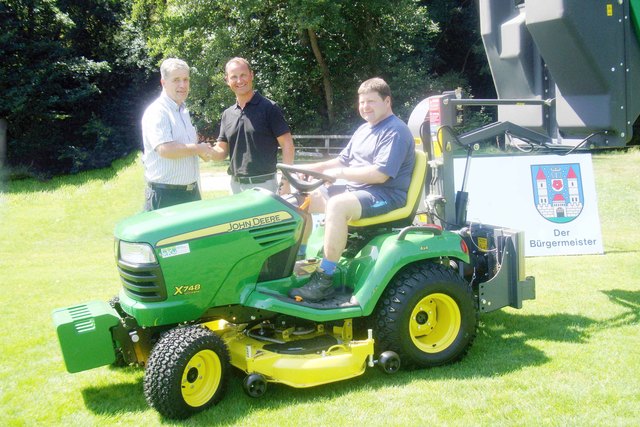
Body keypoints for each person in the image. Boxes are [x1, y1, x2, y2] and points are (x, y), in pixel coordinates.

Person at [289, 77, 415, 303]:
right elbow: (341, 161)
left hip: (385, 195)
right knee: (298, 200)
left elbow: (379, 175)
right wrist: (306, 168)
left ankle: (324, 279)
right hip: (357, 191)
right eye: (362, 102)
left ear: (387, 102)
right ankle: (296, 262)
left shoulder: (395, 131)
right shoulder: (364, 129)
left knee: (337, 205)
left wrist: (338, 175)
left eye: (371, 101)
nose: (365, 107)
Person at [210, 57, 294, 194]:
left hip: (265, 186)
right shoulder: (227, 114)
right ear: (227, 80)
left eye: (243, 75)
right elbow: (221, 150)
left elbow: (287, 145)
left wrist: (286, 180)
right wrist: (200, 150)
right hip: (235, 187)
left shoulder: (269, 108)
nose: (239, 81)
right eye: (234, 77)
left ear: (251, 75)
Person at [141, 58, 215, 211]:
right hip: (166, 196)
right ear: (163, 82)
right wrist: (198, 148)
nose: (182, 85)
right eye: (176, 80)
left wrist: (202, 152)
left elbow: (186, 147)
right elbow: (165, 149)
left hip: (190, 194)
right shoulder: (158, 111)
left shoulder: (183, 111)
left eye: (186, 79)